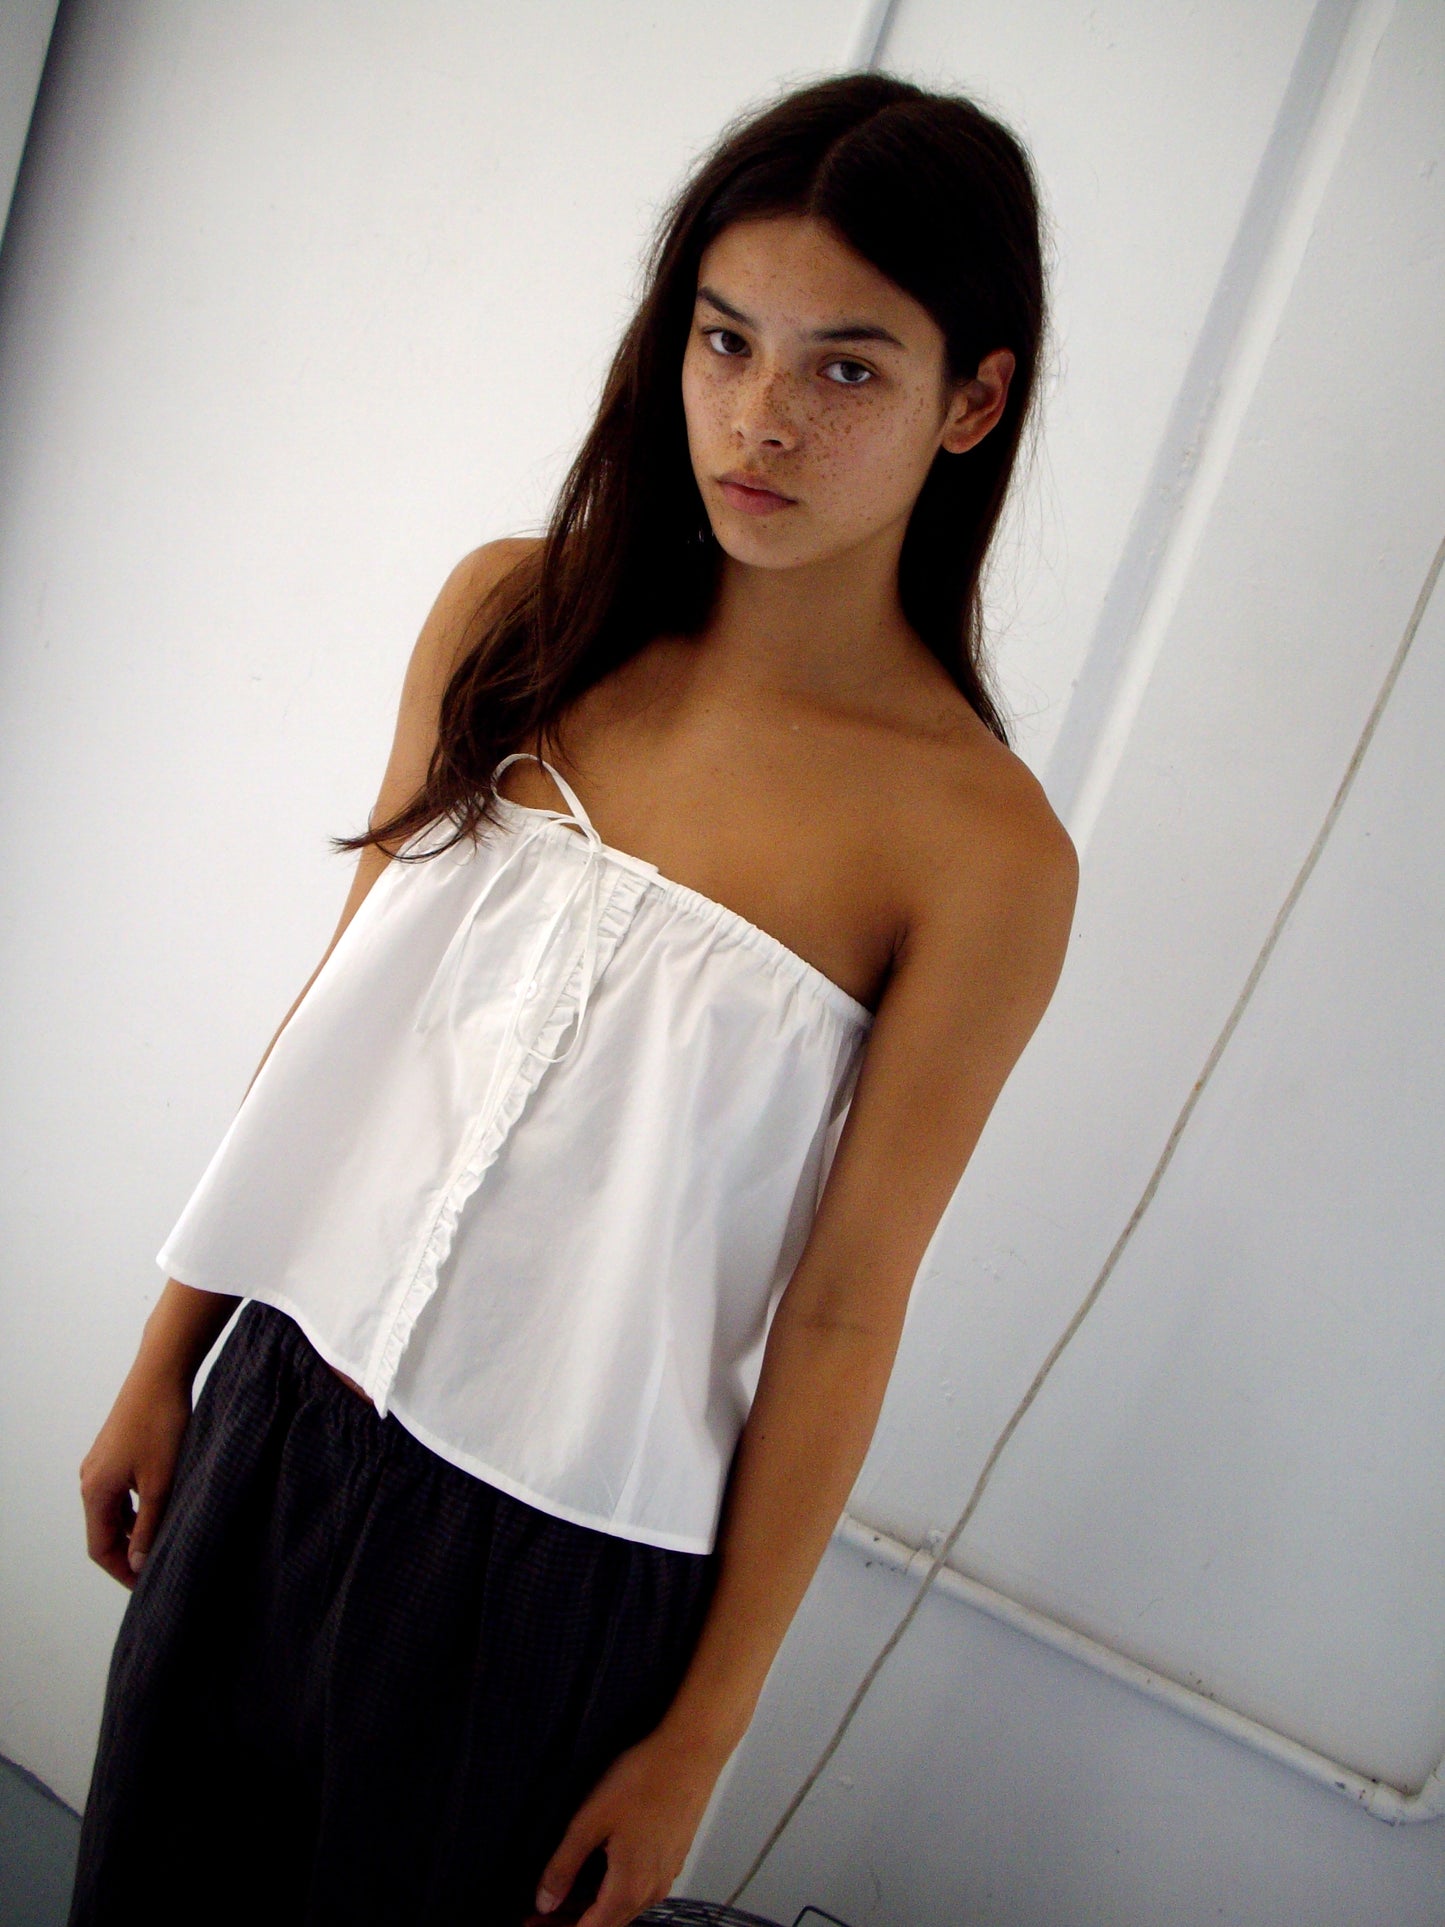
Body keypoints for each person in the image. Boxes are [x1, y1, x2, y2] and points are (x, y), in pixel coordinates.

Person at [70, 69, 1076, 1927]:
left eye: (846, 367)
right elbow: (335, 1023)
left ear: (974, 401)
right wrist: (167, 1358)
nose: (759, 417)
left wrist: (702, 1733)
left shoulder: (979, 854)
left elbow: (842, 1320)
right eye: (724, 340)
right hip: (279, 1420)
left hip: (553, 1576)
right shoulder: (511, 620)